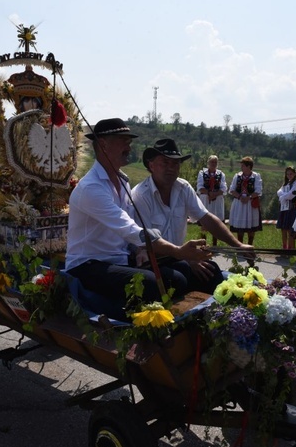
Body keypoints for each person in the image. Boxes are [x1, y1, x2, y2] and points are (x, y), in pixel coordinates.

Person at [65, 119, 212, 321]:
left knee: (181, 273)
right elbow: (130, 229)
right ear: (104, 145)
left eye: (129, 141)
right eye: (123, 141)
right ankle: (140, 328)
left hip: (120, 259)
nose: (128, 146)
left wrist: (140, 251)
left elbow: (130, 233)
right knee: (156, 284)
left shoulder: (122, 181)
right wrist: (177, 251)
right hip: (88, 265)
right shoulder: (91, 188)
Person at [132, 139, 253, 295]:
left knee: (211, 271)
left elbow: (206, 218)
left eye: (175, 164)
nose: (171, 168)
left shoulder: (183, 187)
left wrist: (238, 245)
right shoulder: (141, 195)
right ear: (151, 165)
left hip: (177, 257)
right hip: (153, 261)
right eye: (165, 162)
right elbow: (149, 243)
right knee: (182, 278)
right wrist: (186, 257)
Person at [228, 157, 263, 245]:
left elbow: (258, 190)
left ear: (248, 166)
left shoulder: (256, 176)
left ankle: (250, 246)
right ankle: (240, 246)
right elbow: (232, 189)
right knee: (240, 226)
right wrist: (240, 197)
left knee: (251, 226)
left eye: (243, 166)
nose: (241, 167)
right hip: (239, 203)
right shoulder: (237, 176)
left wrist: (249, 197)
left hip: (250, 204)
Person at [196, 155, 227, 246]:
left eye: (215, 162)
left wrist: (215, 194)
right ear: (208, 163)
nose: (213, 164)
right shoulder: (202, 173)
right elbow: (200, 187)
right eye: (212, 162)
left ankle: (214, 245)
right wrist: (209, 193)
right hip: (205, 200)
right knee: (204, 223)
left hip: (217, 201)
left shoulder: (221, 174)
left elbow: (224, 188)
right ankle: (203, 244)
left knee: (216, 224)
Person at [276, 166, 296, 250]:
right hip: (284, 208)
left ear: (295, 174)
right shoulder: (286, 184)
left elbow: (291, 194)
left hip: (292, 208)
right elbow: (278, 192)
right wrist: (283, 196)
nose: (289, 175)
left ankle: (291, 248)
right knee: (283, 229)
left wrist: (282, 197)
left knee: (290, 229)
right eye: (287, 174)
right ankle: (284, 247)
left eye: (291, 174)